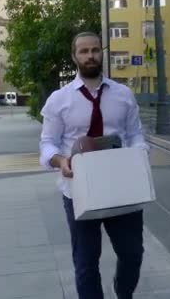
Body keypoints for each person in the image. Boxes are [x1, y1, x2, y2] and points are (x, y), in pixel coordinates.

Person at [39, 31, 149, 299]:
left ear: (103, 52)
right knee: (86, 262)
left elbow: (135, 134)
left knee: (132, 254)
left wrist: (138, 154)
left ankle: (123, 292)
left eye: (95, 50)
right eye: (84, 51)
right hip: (78, 190)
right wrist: (61, 160)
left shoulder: (123, 95)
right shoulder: (59, 99)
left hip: (121, 188)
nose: (90, 56)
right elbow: (48, 143)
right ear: (74, 56)